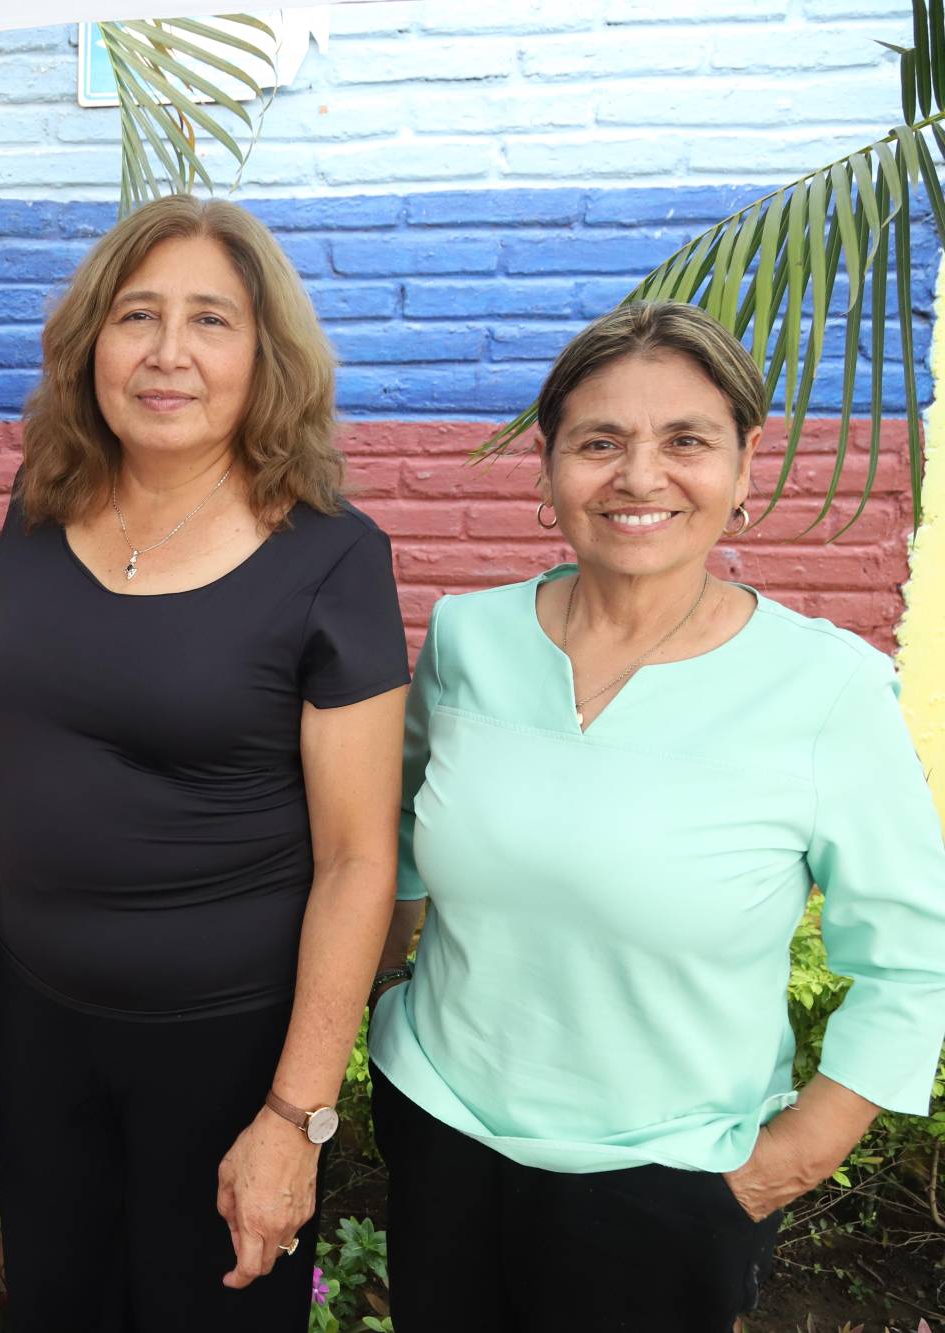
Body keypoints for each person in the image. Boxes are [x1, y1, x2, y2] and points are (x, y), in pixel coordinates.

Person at [369, 300, 945, 1331]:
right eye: (600, 442)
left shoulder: (826, 689)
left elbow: (911, 958)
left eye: (685, 440)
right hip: (439, 1127)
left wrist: (779, 1166)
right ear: (549, 468)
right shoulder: (468, 638)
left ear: (744, 464)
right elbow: (401, 849)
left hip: (670, 1177)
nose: (639, 476)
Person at [0, 194, 410, 1331]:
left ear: (265, 357)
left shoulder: (331, 558)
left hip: (228, 1051)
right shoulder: (38, 512)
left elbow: (359, 860)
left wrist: (296, 1115)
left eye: (211, 320)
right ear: (91, 346)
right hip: (35, 1020)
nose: (168, 352)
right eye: (138, 316)